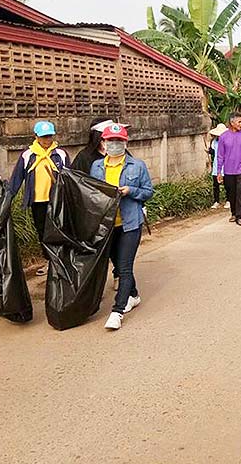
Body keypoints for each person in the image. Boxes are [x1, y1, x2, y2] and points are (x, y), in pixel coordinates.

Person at [90, 124, 153, 330]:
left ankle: (117, 312)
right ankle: (133, 295)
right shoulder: (96, 167)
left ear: (125, 143)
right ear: (104, 143)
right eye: (110, 141)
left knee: (125, 267)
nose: (114, 144)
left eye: (118, 141)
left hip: (130, 223)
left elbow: (148, 191)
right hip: (107, 225)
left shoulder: (137, 165)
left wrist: (130, 190)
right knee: (117, 264)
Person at [9, 121, 70, 276]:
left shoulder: (60, 154)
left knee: (58, 231)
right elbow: (17, 178)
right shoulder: (27, 155)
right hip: (37, 201)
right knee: (42, 232)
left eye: (49, 136)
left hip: (56, 200)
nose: (47, 140)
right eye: (43, 137)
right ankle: (50, 261)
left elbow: (70, 177)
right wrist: (8, 198)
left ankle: (60, 261)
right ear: (36, 136)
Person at [216, 113, 241, 226]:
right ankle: (233, 213)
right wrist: (219, 171)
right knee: (231, 193)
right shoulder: (223, 137)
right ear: (232, 123)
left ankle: (240, 216)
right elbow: (220, 155)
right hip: (228, 171)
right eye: (239, 122)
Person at [208, 123, 229, 210]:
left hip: (226, 167)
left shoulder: (228, 142)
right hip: (216, 167)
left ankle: (228, 200)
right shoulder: (214, 142)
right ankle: (216, 201)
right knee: (215, 185)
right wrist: (210, 151)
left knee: (227, 185)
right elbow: (213, 152)